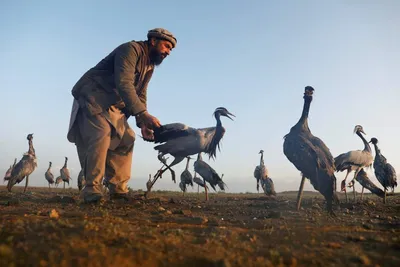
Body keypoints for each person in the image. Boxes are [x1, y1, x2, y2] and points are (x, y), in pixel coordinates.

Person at [67, 28, 177, 203]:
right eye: (166, 46)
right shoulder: (130, 50)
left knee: (127, 138)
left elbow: (141, 93)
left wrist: (143, 123)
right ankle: (92, 191)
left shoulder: (149, 66)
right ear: (153, 41)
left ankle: (118, 190)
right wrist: (142, 113)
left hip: (113, 105)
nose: (168, 52)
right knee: (101, 134)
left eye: (171, 49)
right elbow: (124, 83)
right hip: (93, 95)